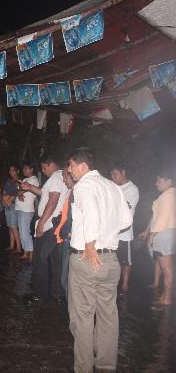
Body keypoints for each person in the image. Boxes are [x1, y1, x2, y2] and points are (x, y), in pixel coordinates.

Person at [67, 147, 132, 373]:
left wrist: (90, 244)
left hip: (88, 260)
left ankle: (83, 369)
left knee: (82, 318)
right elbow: (126, 220)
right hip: (111, 261)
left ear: (83, 165)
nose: (69, 170)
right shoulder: (112, 186)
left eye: (71, 165)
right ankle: (106, 366)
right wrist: (107, 235)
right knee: (107, 316)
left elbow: (92, 214)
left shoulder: (84, 185)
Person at [20, 154, 68, 302]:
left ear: (51, 164)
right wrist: (29, 187)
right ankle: (56, 292)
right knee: (54, 259)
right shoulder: (61, 178)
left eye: (44, 167)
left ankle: (40, 294)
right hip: (56, 224)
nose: (43, 170)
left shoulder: (55, 178)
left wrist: (41, 223)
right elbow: (45, 194)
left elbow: (52, 201)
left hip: (48, 225)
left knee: (39, 259)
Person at [142, 168, 176, 306]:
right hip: (166, 232)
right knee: (163, 263)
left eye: (159, 180)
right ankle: (163, 292)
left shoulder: (169, 196)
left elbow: (162, 218)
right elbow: (157, 216)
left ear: (169, 181)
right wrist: (148, 230)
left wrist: (152, 235)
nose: (156, 183)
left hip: (163, 233)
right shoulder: (168, 194)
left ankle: (167, 297)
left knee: (167, 268)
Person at [110, 163, 139, 294]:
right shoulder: (114, 188)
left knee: (125, 261)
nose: (113, 177)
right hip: (112, 232)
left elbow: (125, 209)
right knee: (113, 260)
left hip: (125, 232)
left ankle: (125, 285)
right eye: (111, 175)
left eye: (115, 174)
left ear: (123, 172)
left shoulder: (132, 189)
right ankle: (114, 284)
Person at [53, 168, 75, 297]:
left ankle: (72, 313)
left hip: (70, 238)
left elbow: (73, 217)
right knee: (65, 277)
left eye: (66, 176)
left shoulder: (77, 192)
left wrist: (66, 231)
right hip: (65, 237)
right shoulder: (71, 192)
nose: (64, 180)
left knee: (66, 279)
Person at [15, 162, 39, 262]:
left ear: (31, 169)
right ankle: (25, 252)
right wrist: (19, 193)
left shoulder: (34, 180)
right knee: (22, 232)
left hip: (27, 210)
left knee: (26, 232)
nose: (24, 170)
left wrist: (20, 192)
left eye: (26, 168)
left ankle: (31, 254)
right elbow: (17, 191)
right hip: (20, 208)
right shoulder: (25, 180)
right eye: (24, 168)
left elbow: (22, 190)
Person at [2, 164, 21, 254]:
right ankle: (11, 245)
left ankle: (19, 247)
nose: (11, 172)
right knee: (10, 226)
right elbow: (4, 191)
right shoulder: (9, 181)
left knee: (13, 226)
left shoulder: (19, 182)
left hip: (13, 206)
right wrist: (3, 200)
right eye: (10, 171)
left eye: (13, 170)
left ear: (17, 171)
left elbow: (17, 193)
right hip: (7, 205)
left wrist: (9, 199)